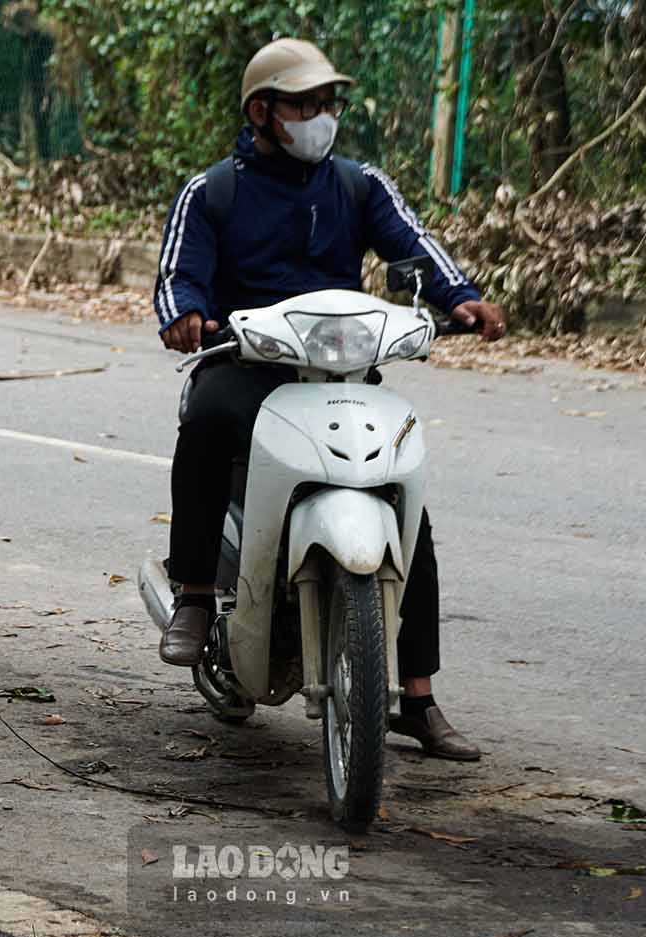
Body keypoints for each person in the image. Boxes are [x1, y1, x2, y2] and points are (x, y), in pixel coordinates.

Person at [151, 39, 507, 760]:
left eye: (326, 104)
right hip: (246, 361)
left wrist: (461, 297)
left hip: (339, 371)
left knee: (404, 499)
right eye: (304, 105)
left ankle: (416, 694)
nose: (321, 117)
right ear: (262, 112)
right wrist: (185, 313)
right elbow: (175, 276)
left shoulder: (355, 185)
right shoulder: (212, 190)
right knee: (207, 417)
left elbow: (413, 246)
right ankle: (192, 591)